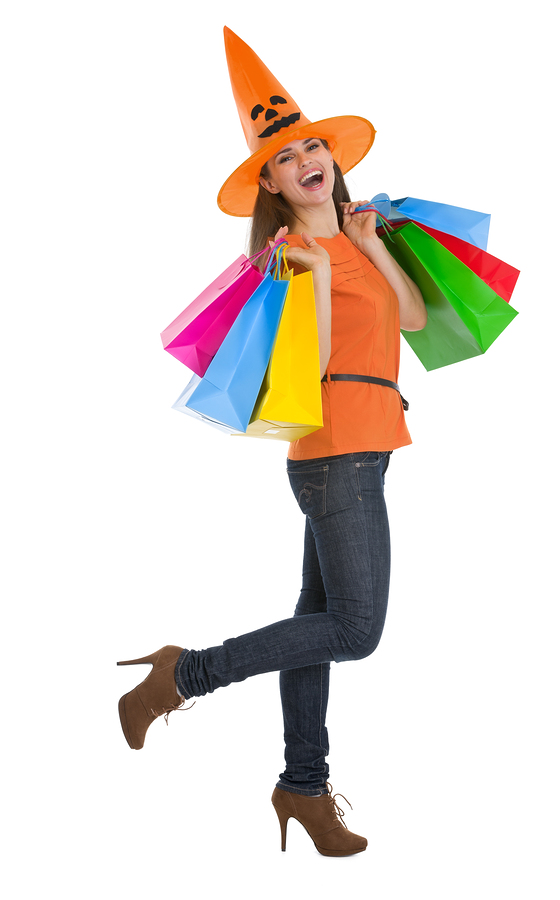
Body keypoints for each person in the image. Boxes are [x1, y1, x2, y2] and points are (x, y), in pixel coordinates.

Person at [117, 28, 426, 858]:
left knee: (318, 618)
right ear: (271, 183)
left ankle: (302, 785)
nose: (307, 158)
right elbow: (311, 362)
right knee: (356, 630)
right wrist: (320, 273)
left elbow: (413, 320)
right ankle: (182, 675)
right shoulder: (287, 258)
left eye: (314, 144)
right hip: (333, 452)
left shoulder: (361, 236)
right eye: (287, 157)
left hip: (367, 447)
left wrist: (368, 250)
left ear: (331, 158)